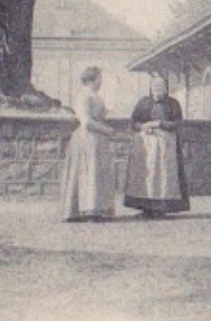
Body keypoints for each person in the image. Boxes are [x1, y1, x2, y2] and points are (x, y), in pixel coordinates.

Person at [124, 75, 190, 219]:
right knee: (146, 177)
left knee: (163, 177)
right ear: (150, 88)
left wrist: (158, 124)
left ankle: (162, 208)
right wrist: (142, 126)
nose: (157, 89)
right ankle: (146, 208)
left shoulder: (173, 104)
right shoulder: (143, 102)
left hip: (165, 145)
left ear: (166, 89)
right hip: (146, 147)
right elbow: (133, 122)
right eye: (154, 86)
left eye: (160, 86)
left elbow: (177, 123)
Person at [60, 66, 116, 223]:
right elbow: (86, 122)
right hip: (87, 139)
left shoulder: (94, 95)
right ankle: (86, 209)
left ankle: (96, 208)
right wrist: (106, 130)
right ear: (91, 79)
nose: (101, 82)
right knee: (88, 172)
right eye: (99, 79)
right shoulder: (83, 96)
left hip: (97, 140)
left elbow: (98, 115)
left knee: (96, 173)